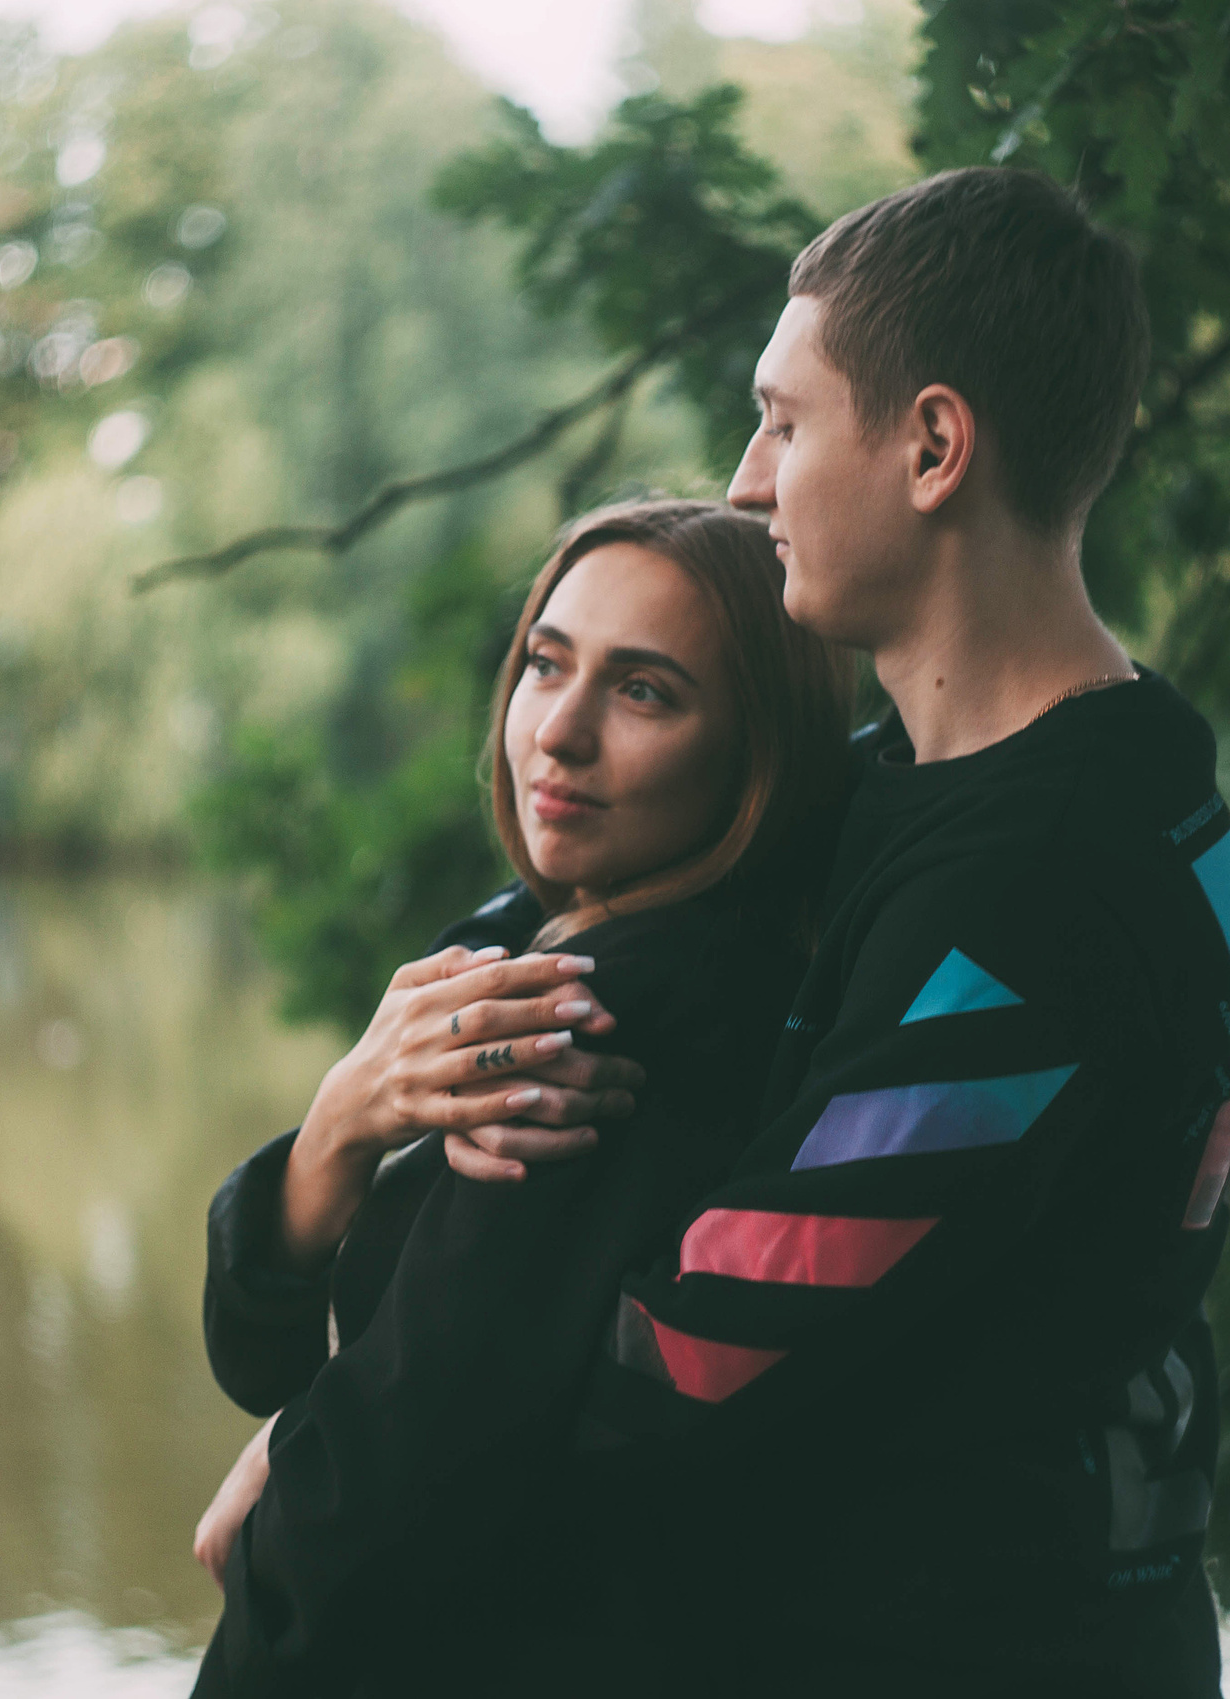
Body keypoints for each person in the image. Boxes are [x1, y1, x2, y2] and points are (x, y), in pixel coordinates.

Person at [430, 166, 1230, 1695]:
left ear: (935, 446)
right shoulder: (1032, 771)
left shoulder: (1039, 897)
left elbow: (697, 1350)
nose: (748, 479)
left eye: (786, 417)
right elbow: (646, 896)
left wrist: (341, 1436)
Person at [191, 499, 858, 1695]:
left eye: (644, 692)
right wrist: (340, 1124)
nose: (558, 732)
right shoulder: (521, 950)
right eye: (545, 665)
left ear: (759, 751)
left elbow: (388, 1517)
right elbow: (267, 1359)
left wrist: (277, 1514)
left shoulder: (593, 1028)